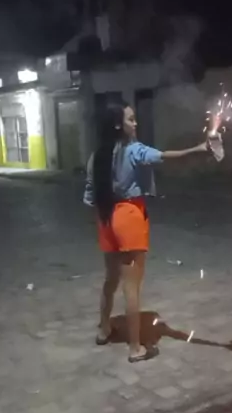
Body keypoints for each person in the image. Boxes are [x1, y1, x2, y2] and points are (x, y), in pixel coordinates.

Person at [84, 101, 208, 362]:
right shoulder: (134, 150)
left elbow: (90, 194)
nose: (136, 123)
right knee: (132, 287)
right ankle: (135, 348)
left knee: (110, 280)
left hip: (105, 218)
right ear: (118, 125)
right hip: (129, 216)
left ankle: (104, 330)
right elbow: (165, 156)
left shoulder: (97, 156)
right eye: (131, 119)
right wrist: (198, 149)